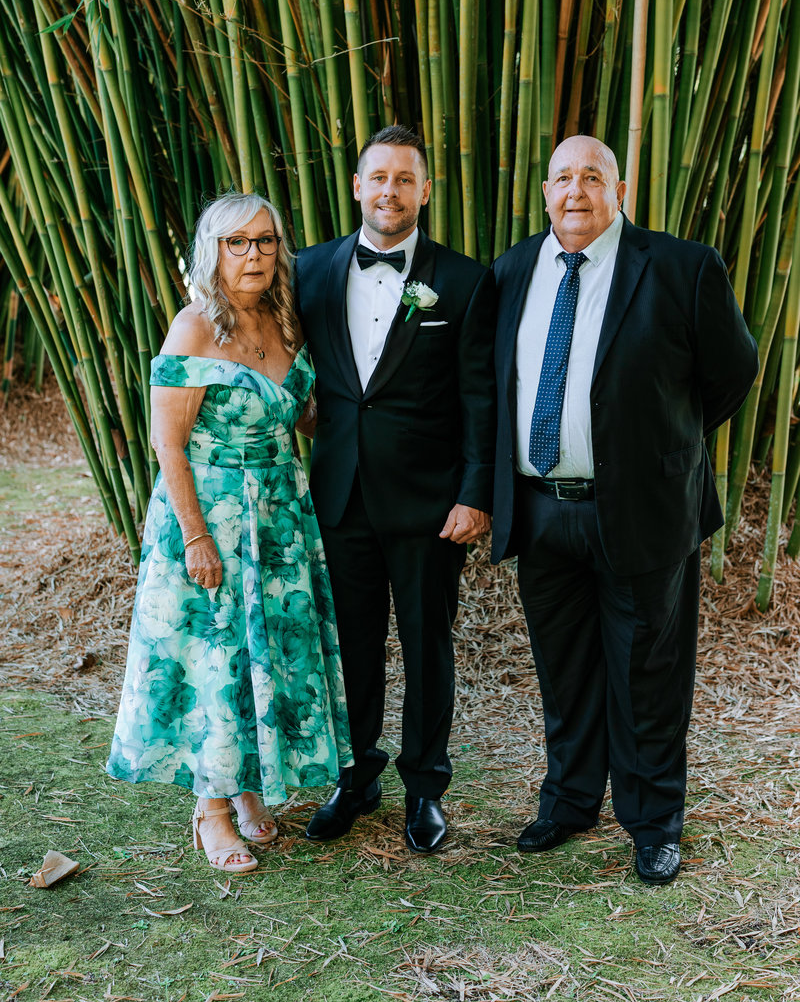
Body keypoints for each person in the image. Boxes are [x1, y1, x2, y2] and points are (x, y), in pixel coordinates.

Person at [492, 135, 758, 884]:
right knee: (565, 669)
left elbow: (732, 371)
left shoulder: (680, 266)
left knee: (648, 671)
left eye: (592, 176)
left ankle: (652, 822)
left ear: (621, 190)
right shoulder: (514, 269)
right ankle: (570, 801)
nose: (576, 191)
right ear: (545, 192)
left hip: (643, 508)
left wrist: (660, 442)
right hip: (543, 508)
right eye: (562, 178)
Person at [107, 191, 352, 874]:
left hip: (279, 516)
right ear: (211, 253)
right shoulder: (193, 328)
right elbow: (167, 442)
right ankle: (209, 811)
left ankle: (246, 788)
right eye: (236, 243)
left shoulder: (286, 322)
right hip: (210, 513)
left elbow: (303, 417)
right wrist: (195, 536)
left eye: (265, 241)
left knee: (258, 654)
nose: (253, 255)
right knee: (216, 657)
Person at [295, 125, 495, 853]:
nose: (390, 191)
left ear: (425, 190)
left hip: (429, 503)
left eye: (405, 179)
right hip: (340, 495)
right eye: (378, 177)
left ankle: (425, 789)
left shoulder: (465, 280)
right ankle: (354, 778)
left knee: (426, 645)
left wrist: (476, 493)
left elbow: (481, 398)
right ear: (357, 186)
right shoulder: (308, 270)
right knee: (350, 646)